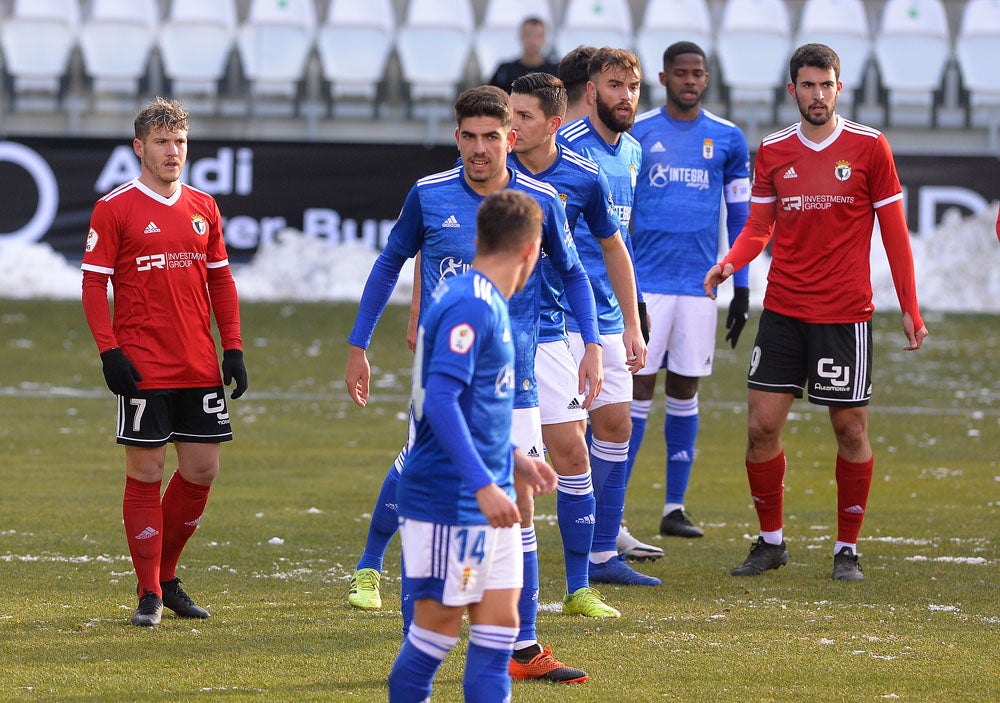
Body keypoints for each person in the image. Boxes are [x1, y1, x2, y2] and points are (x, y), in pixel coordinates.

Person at [345, 85, 601, 684]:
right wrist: (358, 344)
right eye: (469, 136)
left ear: (513, 136)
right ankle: (413, 630)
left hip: (516, 378)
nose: (479, 148)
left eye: (492, 136)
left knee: (522, 502)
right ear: (456, 136)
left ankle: (522, 646)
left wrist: (591, 345)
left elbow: (574, 272)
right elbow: (389, 262)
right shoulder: (430, 196)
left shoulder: (539, 201)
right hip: (444, 371)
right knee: (425, 479)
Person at [703, 43, 928, 581]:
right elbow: (758, 228)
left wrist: (910, 309)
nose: (818, 94)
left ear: (839, 88)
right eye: (808, 85)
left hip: (844, 314)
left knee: (850, 430)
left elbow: (896, 238)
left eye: (826, 84)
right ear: (793, 91)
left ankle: (846, 550)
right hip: (782, 310)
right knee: (761, 428)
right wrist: (729, 264)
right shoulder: (775, 150)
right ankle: (771, 542)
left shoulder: (871, 148)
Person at [81, 97, 248, 627]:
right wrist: (109, 350)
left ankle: (167, 577)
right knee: (147, 470)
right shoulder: (115, 208)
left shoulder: (204, 207)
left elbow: (221, 280)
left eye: (179, 142)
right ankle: (149, 593)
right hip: (143, 366)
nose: (172, 151)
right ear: (140, 148)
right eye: (161, 143)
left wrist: (234, 347)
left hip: (198, 363)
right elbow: (93, 284)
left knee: (202, 469)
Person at [387, 190, 558, 703]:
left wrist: (513, 461)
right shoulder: (469, 304)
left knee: (499, 627)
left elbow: (472, 407)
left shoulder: (488, 303)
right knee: (436, 633)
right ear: (532, 251)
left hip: (490, 493)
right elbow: (440, 401)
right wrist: (484, 484)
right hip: (450, 500)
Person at [509, 71, 646, 622]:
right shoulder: (492, 170)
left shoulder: (581, 179)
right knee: (445, 452)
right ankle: (373, 565)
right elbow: (431, 240)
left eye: (522, 117)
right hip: (495, 335)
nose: (509, 128)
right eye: (507, 116)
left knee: (575, 451)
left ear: (552, 122)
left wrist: (620, 327)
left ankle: (582, 581)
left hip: (559, 330)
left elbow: (599, 257)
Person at [628, 41, 752, 539]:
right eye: (681, 73)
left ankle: (673, 508)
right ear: (664, 78)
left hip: (700, 286)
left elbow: (742, 217)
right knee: (636, 388)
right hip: (646, 284)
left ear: (706, 78)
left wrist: (741, 286)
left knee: (685, 387)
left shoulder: (728, 138)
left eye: (697, 73)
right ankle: (611, 507)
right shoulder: (639, 133)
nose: (690, 81)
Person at [557, 47, 663, 585]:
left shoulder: (633, 153)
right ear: (593, 88)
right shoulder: (566, 150)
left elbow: (623, 243)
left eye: (633, 86)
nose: (626, 96)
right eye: (615, 85)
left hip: (609, 314)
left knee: (616, 425)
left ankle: (603, 555)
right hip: (565, 314)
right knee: (565, 439)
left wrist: (633, 317)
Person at [488, 16, 560, 91]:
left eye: (537, 36)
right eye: (528, 35)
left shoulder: (555, 72)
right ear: (520, 36)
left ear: (544, 38)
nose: (532, 40)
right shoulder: (505, 71)